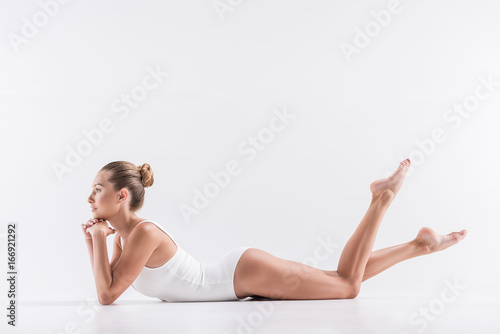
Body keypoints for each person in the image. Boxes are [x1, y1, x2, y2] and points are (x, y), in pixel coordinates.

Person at [82, 159, 467, 305]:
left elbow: (107, 295)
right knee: (337, 278)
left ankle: (380, 200)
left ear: (121, 196)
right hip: (240, 276)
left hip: (240, 275)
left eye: (97, 190)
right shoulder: (122, 238)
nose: (90, 197)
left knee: (347, 286)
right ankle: (420, 246)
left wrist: (97, 240)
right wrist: (94, 242)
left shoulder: (144, 234)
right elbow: (111, 281)